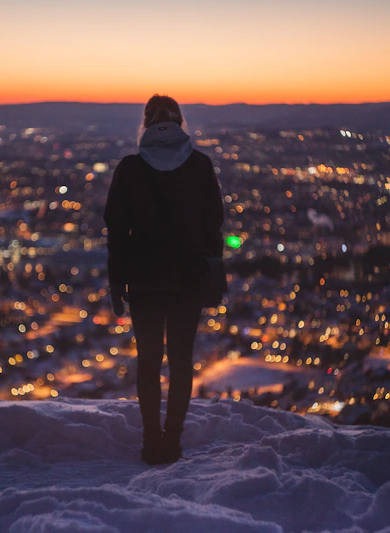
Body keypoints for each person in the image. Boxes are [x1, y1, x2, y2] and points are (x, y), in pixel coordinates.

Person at [103, 94, 225, 465]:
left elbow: (116, 230)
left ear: (146, 124)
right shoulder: (200, 166)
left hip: (143, 280)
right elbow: (213, 227)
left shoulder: (130, 169)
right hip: (187, 280)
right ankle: (171, 441)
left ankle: (150, 441)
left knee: (149, 362)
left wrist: (117, 282)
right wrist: (212, 275)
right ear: (180, 123)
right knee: (181, 362)